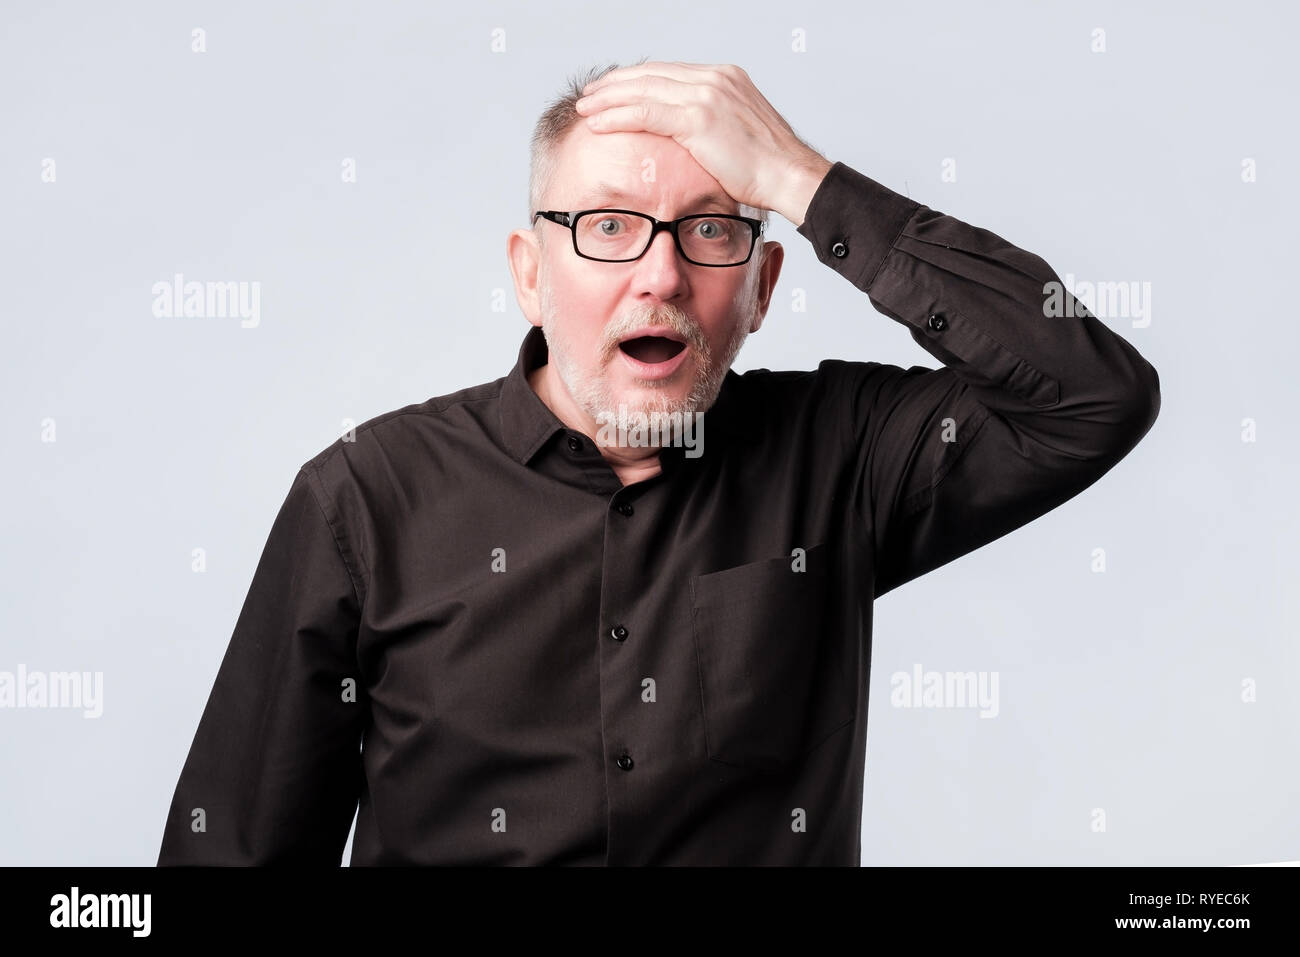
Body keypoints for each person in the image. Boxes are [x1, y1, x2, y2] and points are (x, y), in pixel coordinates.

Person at [158, 59, 1160, 865]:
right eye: (606, 227)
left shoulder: (841, 452)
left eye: (712, 228)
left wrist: (804, 182)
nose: (662, 273)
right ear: (527, 273)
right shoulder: (363, 500)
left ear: (763, 285)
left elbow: (1089, 394)